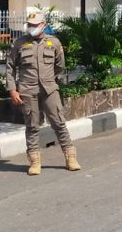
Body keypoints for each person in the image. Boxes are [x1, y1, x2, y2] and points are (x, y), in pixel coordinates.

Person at [6, 12, 81, 176]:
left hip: (49, 90)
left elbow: (59, 66)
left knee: (59, 123)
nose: (31, 27)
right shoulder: (19, 43)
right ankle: (34, 162)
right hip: (27, 90)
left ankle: (71, 158)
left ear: (44, 25)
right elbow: (10, 68)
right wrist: (12, 89)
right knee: (32, 126)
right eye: (30, 24)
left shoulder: (54, 43)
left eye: (35, 24)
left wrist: (48, 79)